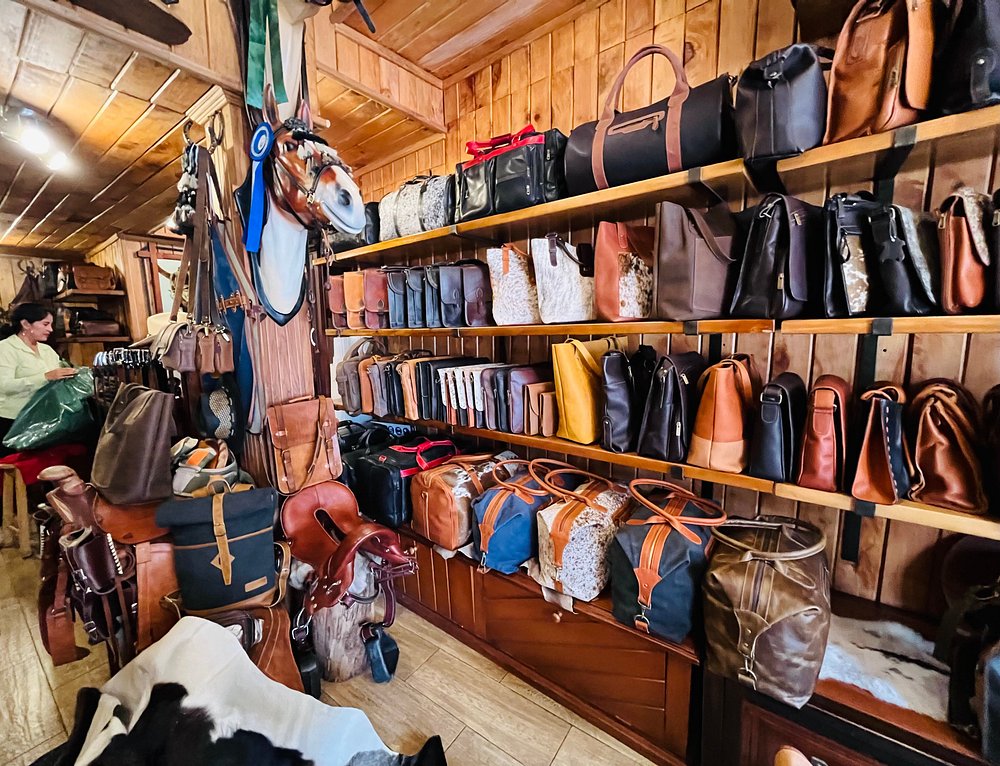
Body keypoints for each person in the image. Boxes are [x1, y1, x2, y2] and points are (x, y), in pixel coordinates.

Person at [0, 303, 76, 451]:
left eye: (51, 324)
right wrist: (45, 377)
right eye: (45, 324)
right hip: (13, 422)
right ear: (25, 324)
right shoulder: (5, 349)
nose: (51, 329)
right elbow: (4, 385)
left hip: (44, 418)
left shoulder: (47, 350)